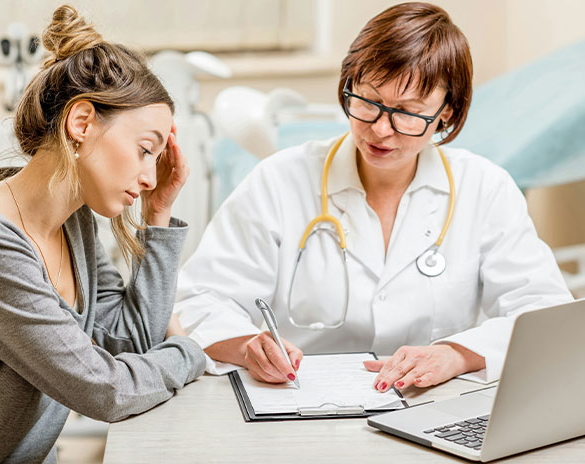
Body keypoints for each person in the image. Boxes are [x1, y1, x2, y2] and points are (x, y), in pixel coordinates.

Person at [175, 2, 572, 393]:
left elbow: (545, 314)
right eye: (367, 101)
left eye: (407, 113)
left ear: (446, 112)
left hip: (429, 403)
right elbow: (199, 299)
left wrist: (457, 354)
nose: (381, 129)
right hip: (301, 403)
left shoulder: (485, 188)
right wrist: (247, 347)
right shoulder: (280, 180)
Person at [0, 5, 205, 463]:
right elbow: (105, 391)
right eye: (144, 150)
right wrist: (192, 352)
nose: (151, 176)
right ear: (82, 123)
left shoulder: (72, 224)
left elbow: (131, 341)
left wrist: (160, 215)